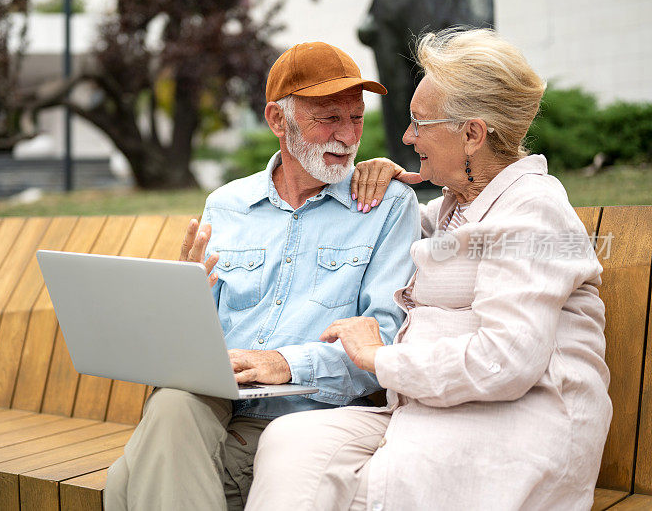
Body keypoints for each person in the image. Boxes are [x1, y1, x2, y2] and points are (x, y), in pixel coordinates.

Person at [246, 28, 612, 510]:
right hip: (435, 409)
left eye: (420, 123)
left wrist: (378, 359)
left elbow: (504, 362)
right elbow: (376, 235)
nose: (406, 137)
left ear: (472, 134)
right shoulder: (456, 206)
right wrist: (379, 186)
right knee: (290, 442)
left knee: (363, 492)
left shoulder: (532, 214)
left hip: (515, 423)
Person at [103, 42, 421, 511]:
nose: (348, 136)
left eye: (356, 117)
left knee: (125, 482)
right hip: (209, 408)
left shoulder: (386, 206)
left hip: (302, 423)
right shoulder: (226, 204)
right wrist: (182, 303)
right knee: (171, 402)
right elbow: (195, 342)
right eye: (329, 118)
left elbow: (387, 340)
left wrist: (286, 362)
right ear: (277, 120)